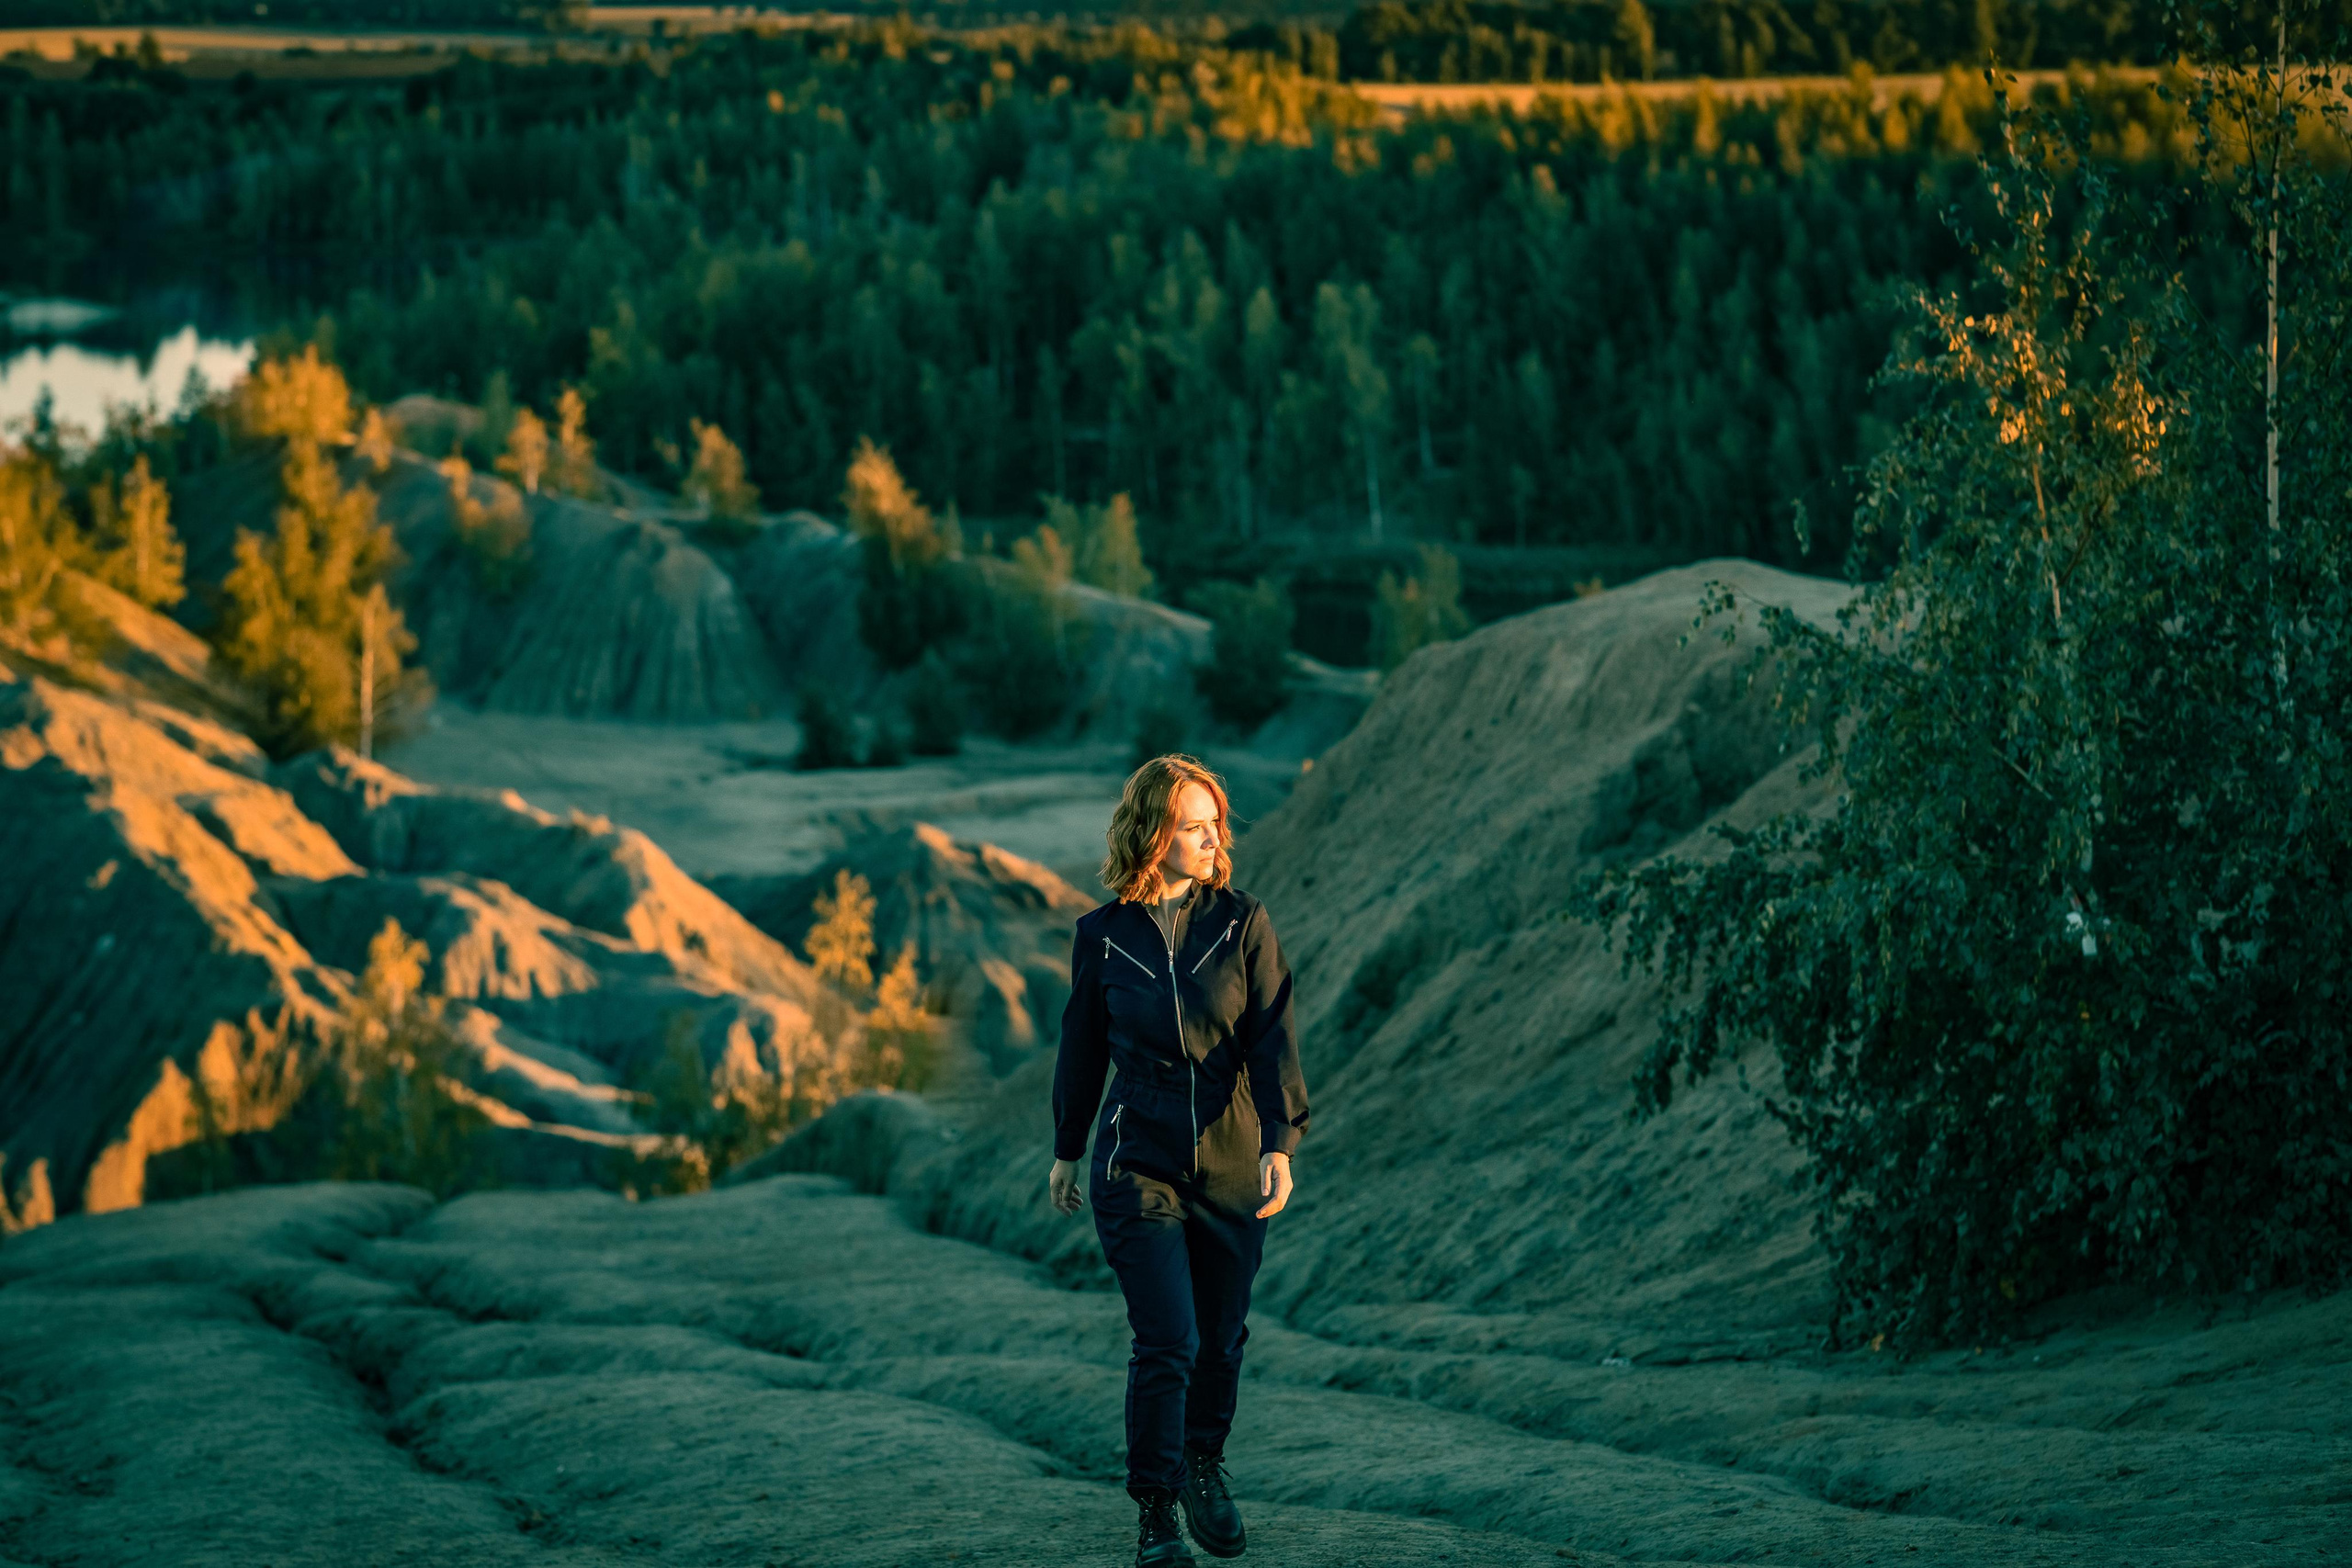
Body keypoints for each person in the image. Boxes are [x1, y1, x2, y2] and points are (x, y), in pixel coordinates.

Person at [1050, 754, 1311, 1567]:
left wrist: (1279, 1140)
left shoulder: (1241, 922)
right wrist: (1067, 1148)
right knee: (1168, 1338)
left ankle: (1203, 1463)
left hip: (1231, 1156)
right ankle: (1157, 1511)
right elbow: (1082, 1047)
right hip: (1138, 1158)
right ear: (1152, 834)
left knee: (1220, 1338)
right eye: (1193, 826)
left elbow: (1272, 1034)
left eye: (1214, 825)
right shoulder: (1102, 936)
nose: (1211, 840)